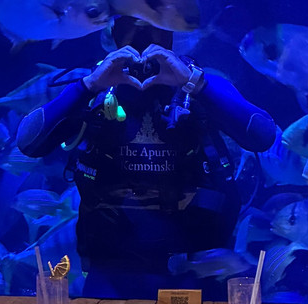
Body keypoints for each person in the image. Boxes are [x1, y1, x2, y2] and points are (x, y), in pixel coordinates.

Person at [17, 17, 276, 299]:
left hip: (192, 274)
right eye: (131, 22)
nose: (142, 35)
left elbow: (262, 135)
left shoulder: (197, 85)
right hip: (110, 274)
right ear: (114, 29)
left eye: (153, 22)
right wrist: (88, 85)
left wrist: (194, 83)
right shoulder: (97, 89)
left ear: (171, 29)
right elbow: (28, 143)